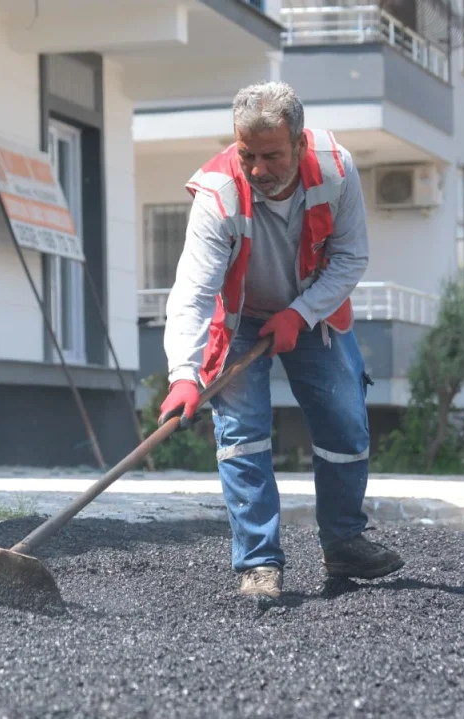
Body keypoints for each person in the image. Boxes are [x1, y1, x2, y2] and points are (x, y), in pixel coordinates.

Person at [157, 81, 404, 599]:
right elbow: (194, 293)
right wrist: (183, 375)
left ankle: (344, 542)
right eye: (247, 154)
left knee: (344, 420)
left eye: (271, 155)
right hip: (240, 316)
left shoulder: (336, 169)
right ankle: (258, 563)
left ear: (299, 143)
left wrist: (300, 313)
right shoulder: (218, 194)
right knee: (241, 434)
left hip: (313, 307)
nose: (257, 169)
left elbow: (351, 257)